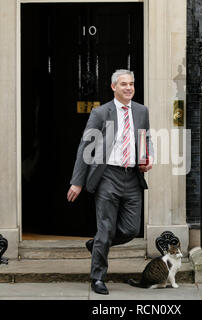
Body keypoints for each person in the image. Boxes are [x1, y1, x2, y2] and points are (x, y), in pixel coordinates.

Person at [67, 70, 153, 295]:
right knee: (105, 229)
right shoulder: (101, 112)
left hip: (132, 177)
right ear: (113, 87)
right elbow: (85, 147)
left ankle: (96, 245)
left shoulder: (142, 111)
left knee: (131, 229)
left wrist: (148, 157)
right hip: (107, 176)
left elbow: (146, 137)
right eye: (124, 84)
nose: (129, 88)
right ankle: (97, 278)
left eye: (132, 84)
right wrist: (77, 182)